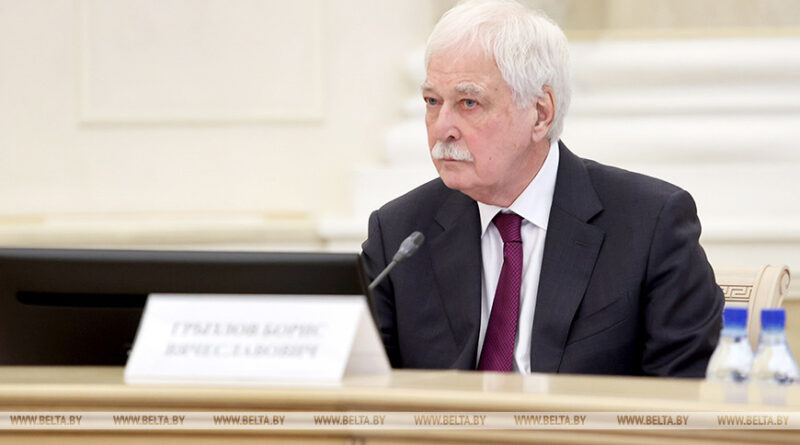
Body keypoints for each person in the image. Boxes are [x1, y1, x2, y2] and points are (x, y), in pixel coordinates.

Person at [361, 0, 723, 376]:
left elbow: (683, 391)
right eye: (432, 101)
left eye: (469, 102)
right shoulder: (400, 234)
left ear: (540, 113)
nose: (442, 128)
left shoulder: (650, 226)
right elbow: (359, 386)